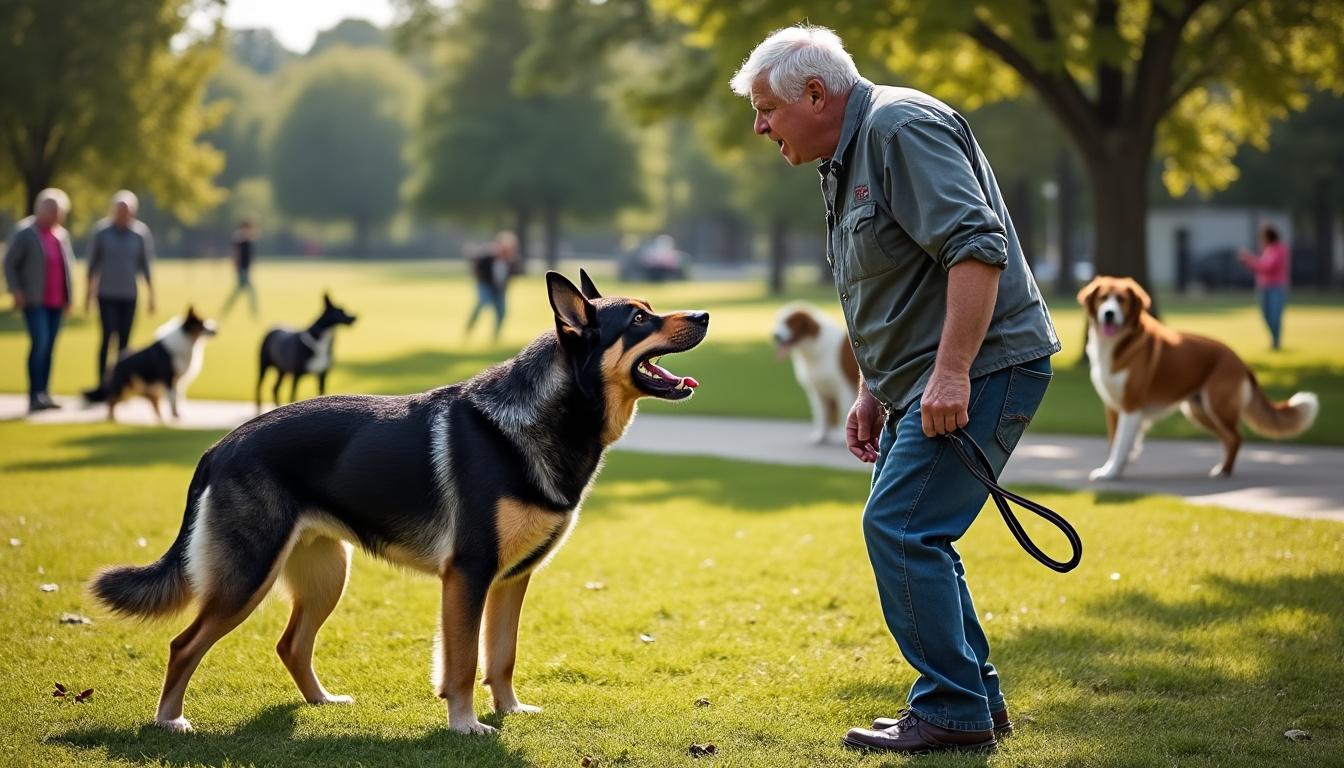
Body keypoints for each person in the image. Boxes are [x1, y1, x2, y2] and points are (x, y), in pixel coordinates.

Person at [731, 25, 1060, 754]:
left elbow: (976, 246)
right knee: (919, 529)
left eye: (765, 110)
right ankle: (977, 700)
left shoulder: (898, 128)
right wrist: (874, 389)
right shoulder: (847, 154)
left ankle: (952, 708)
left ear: (815, 94)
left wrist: (950, 374)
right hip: (925, 380)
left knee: (902, 527)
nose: (758, 126)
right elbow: (894, 283)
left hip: (983, 368)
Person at [4, 188, 77, 413]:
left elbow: (67, 268)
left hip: (56, 301)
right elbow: (9, 263)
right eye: (53, 211)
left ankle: (45, 392)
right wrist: (16, 290)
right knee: (41, 343)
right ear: (40, 208)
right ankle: (34, 394)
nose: (57, 216)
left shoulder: (61, 235)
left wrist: (69, 297)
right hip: (35, 300)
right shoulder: (26, 233)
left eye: (59, 212)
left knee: (50, 347)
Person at [86, 190, 156, 386]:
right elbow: (93, 265)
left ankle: (119, 382)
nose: (123, 214)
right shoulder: (101, 232)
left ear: (133, 212)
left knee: (124, 343)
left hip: (129, 295)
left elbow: (146, 266)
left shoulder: (140, 234)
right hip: (106, 294)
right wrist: (88, 294)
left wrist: (151, 296)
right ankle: (102, 383)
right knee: (107, 337)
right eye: (119, 210)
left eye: (126, 210)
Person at [1238, 223, 1289, 350]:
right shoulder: (1268, 249)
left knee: (1274, 316)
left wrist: (1248, 259)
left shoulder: (1279, 249)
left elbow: (1267, 267)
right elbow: (1263, 264)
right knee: (1266, 315)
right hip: (1264, 287)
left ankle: (1276, 342)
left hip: (1276, 287)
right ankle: (1274, 340)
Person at [464, 230, 519, 341]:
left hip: (499, 289)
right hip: (485, 285)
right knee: (483, 302)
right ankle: (469, 328)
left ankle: (495, 336)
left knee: (502, 311)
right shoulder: (487, 258)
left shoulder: (511, 261)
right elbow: (476, 267)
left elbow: (511, 276)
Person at [220, 218, 259, 319]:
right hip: (242, 270)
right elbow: (236, 254)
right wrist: (236, 266)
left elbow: (251, 255)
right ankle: (254, 314)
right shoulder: (239, 240)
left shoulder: (247, 240)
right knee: (251, 292)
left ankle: (225, 309)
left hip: (246, 269)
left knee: (237, 293)